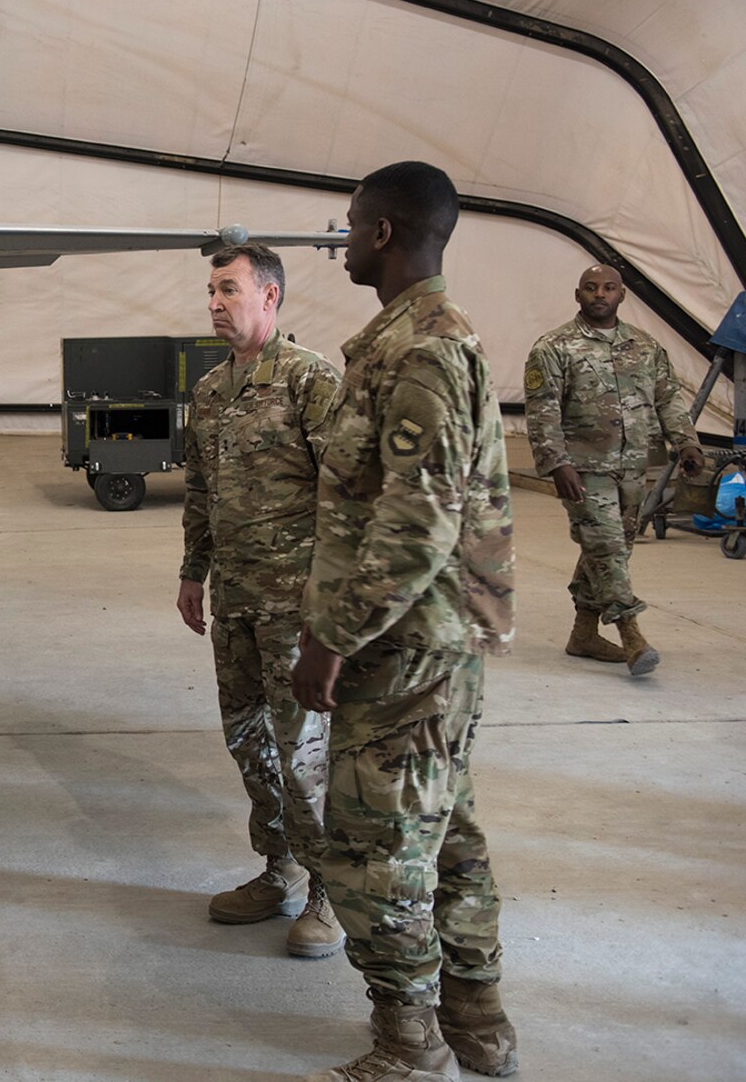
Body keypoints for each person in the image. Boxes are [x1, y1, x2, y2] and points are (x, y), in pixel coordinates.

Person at [292, 162, 519, 1081]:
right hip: (435, 646)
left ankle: (409, 1049)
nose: (344, 239)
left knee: (378, 851)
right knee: (449, 837)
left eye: (351, 226)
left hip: (403, 653)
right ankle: (480, 1027)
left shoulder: (420, 348)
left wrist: (332, 637)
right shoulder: (415, 337)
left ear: (384, 233)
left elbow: (418, 522)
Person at [177, 242, 344, 958]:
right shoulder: (212, 391)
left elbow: (346, 495)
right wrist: (193, 570)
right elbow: (198, 491)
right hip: (236, 599)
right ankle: (276, 869)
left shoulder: (311, 382)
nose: (215, 304)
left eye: (228, 290)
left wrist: (330, 607)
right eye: (211, 292)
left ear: (270, 297)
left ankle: (329, 893)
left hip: (295, 608)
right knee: (248, 741)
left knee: (302, 749)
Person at [525, 264, 704, 676]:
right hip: (583, 469)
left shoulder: (644, 346)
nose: (599, 295)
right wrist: (557, 463)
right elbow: (542, 411)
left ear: (622, 296)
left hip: (633, 469)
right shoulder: (554, 347)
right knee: (606, 548)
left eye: (609, 288)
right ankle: (631, 634)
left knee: (610, 552)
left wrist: (687, 443)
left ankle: (583, 635)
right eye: (591, 288)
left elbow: (668, 399)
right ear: (578, 295)